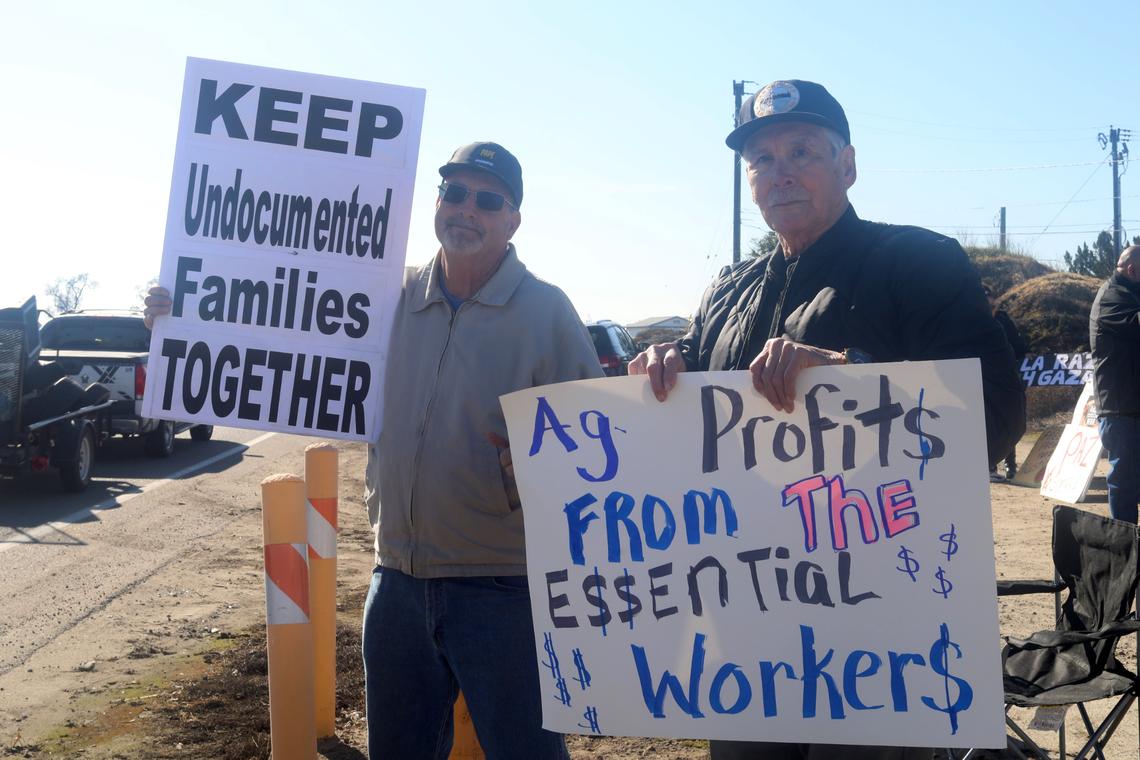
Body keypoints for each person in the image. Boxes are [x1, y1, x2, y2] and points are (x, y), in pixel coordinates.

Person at [146, 142, 603, 759]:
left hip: (504, 590)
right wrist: (186, 318)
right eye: (455, 194)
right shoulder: (382, 297)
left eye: (488, 200)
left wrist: (538, 469)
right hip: (396, 585)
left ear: (512, 219)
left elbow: (593, 447)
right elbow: (277, 322)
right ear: (437, 203)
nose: (467, 209)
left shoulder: (547, 312)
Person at [630, 79, 1025, 760]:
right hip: (748, 618)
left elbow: (995, 416)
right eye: (762, 160)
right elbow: (682, 418)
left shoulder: (919, 263)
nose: (780, 173)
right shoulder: (728, 291)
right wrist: (661, 366)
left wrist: (849, 373)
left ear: (847, 165)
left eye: (802, 151)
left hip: (876, 626)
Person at [1090, 245, 1140, 523]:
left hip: (1133, 406)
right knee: (1125, 483)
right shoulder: (1112, 297)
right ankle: (1126, 548)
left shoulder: (1129, 293)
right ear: (1132, 270)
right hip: (1122, 408)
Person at [985, 286, 1028, 481]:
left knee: (1008, 421)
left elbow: (1020, 346)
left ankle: (1011, 466)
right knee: (988, 422)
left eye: (992, 303)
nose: (990, 306)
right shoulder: (968, 322)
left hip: (1006, 376)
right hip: (983, 378)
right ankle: (989, 466)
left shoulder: (1003, 320)